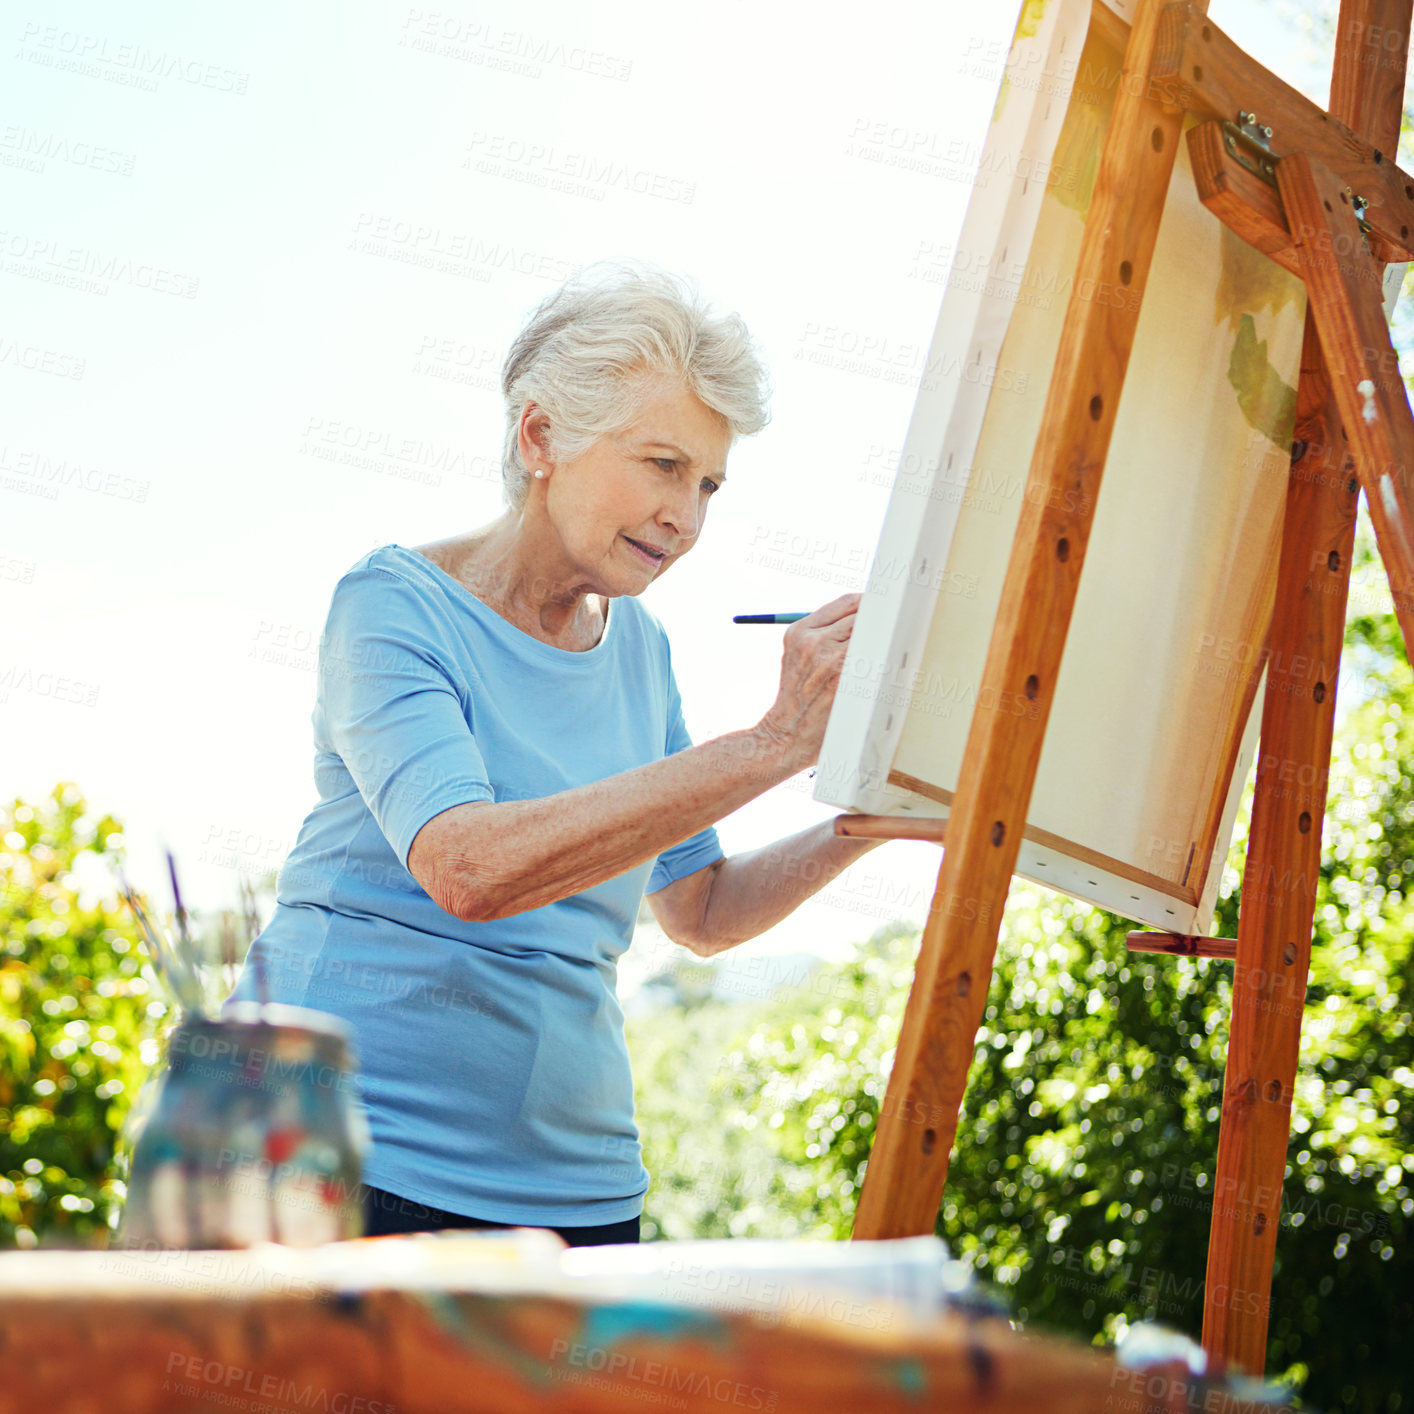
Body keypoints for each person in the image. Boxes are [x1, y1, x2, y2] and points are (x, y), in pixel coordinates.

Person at [225, 261, 883, 1247]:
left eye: (707, 483)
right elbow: (469, 866)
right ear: (540, 436)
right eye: (662, 465)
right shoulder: (393, 605)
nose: (689, 517)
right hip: (336, 1161)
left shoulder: (640, 651)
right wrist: (776, 742)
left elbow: (699, 910)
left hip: (575, 1196)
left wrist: (863, 820)